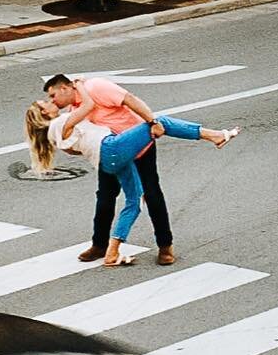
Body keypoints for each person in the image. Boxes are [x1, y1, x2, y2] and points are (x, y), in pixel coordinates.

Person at [25, 97, 237, 267]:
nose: (51, 100)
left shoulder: (54, 135)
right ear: (44, 113)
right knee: (159, 122)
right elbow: (88, 104)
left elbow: (72, 150)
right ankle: (214, 135)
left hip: (106, 160)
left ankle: (112, 252)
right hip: (113, 147)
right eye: (47, 101)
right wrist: (78, 83)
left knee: (134, 201)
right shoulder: (60, 122)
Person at [41, 72, 177, 266]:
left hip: (138, 146)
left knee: (151, 193)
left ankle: (165, 246)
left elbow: (130, 100)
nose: (53, 101)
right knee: (105, 196)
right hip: (112, 153)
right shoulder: (75, 107)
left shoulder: (95, 87)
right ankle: (99, 245)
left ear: (64, 88)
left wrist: (152, 122)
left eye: (53, 95)